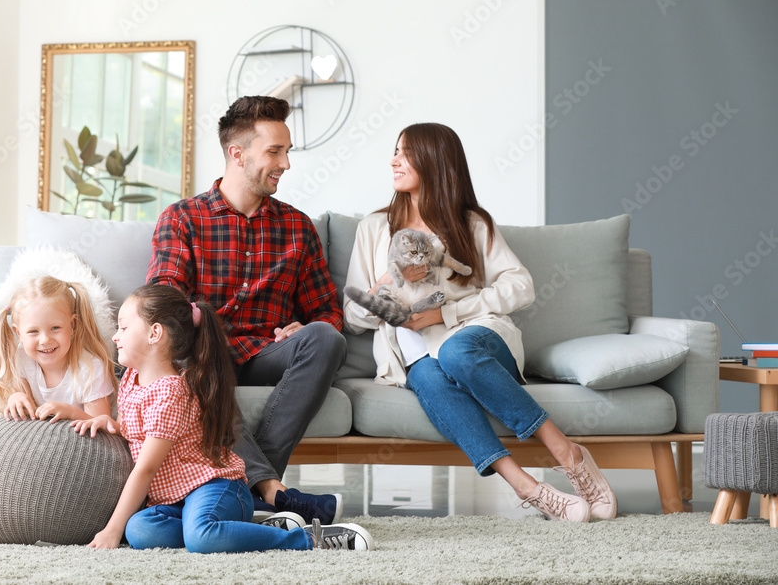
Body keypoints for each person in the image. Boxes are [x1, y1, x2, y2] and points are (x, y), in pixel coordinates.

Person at [343, 123, 617, 522]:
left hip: (475, 337)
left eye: (405, 153)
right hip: (414, 357)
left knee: (455, 353)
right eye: (395, 151)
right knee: (431, 380)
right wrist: (388, 282)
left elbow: (521, 286)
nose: (394, 161)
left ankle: (566, 451)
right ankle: (527, 487)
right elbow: (352, 317)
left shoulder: (471, 223)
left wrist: (446, 314)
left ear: (435, 161)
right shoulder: (373, 228)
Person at [146, 96, 347, 524]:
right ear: (237, 154)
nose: (286, 164)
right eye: (275, 151)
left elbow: (328, 311)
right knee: (185, 361)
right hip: (204, 357)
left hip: (266, 352)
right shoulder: (182, 219)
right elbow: (166, 306)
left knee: (327, 339)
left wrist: (303, 327)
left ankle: (252, 487)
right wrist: (205, 333)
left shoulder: (297, 227)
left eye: (287, 151)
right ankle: (270, 492)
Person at [73, 284, 373, 552]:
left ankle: (310, 539)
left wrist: (111, 530)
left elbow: (146, 468)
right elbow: (138, 433)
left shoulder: (170, 393)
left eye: (123, 328)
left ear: (155, 333)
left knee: (201, 538)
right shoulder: (131, 379)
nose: (115, 336)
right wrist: (98, 420)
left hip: (214, 487)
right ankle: (244, 530)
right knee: (140, 530)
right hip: (177, 498)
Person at [0, 275, 115, 423]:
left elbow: (103, 425)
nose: (45, 340)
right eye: (33, 331)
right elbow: (25, 408)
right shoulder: (23, 357)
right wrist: (16, 398)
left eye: (55, 328)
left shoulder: (90, 368)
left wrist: (71, 412)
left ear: (72, 325)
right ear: (19, 334)